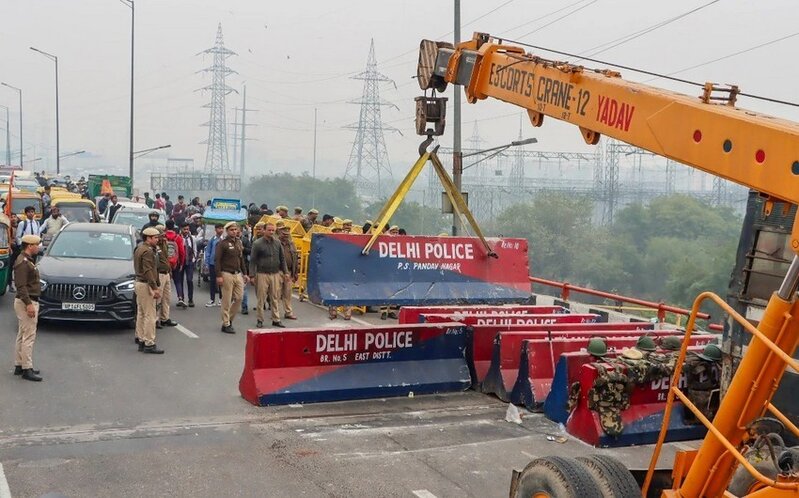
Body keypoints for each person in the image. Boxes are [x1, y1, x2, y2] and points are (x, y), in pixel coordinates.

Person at [13, 234, 43, 381]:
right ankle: (27, 368)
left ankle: (19, 364)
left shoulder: (26, 260)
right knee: (29, 336)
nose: (39, 247)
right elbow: (21, 286)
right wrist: (29, 304)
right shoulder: (24, 263)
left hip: (25, 301)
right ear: (30, 246)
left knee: (22, 334)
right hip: (27, 301)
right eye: (37, 244)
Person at [249, 222, 288, 328]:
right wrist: (252, 275)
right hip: (262, 274)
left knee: (275, 297)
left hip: (275, 274)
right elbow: (252, 260)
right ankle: (260, 319)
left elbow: (282, 259)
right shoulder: (257, 243)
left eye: (273, 230)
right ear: (264, 230)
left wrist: (286, 272)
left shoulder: (277, 243)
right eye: (269, 230)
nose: (271, 232)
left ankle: (276, 319)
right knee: (261, 298)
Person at [134, 227, 164, 354]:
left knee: (141, 313)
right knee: (150, 315)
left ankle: (141, 339)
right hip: (146, 284)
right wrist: (155, 288)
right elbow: (148, 271)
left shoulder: (139, 248)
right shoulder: (148, 252)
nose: (157, 240)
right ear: (148, 238)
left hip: (139, 283)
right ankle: (149, 343)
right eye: (155, 238)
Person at [216, 222, 247, 334]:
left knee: (239, 298)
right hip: (226, 273)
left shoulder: (238, 242)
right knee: (226, 300)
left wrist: (245, 273)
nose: (234, 231)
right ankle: (226, 324)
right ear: (227, 231)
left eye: (235, 229)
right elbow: (217, 260)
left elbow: (241, 259)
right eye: (232, 230)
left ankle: (229, 319)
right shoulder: (222, 244)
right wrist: (219, 275)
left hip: (237, 273)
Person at [155, 225, 178, 328]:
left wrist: (170, 270)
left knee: (166, 297)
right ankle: (155, 319)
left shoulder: (165, 243)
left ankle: (165, 318)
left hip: (166, 272)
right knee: (157, 299)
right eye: (161, 234)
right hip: (158, 273)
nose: (163, 236)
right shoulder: (153, 246)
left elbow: (166, 258)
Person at [278, 221, 299, 320]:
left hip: (289, 272)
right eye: (283, 234)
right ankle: (275, 313)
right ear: (279, 233)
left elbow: (295, 258)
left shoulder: (292, 244)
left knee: (288, 293)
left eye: (287, 234)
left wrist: (295, 273)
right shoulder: (276, 243)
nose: (286, 236)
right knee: (276, 294)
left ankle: (288, 312)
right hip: (278, 271)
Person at [165, 220, 187, 308]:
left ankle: (164, 299)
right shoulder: (178, 238)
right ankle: (180, 298)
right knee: (177, 281)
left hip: (165, 263)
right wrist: (181, 263)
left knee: (165, 281)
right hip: (175, 263)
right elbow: (182, 252)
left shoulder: (163, 237)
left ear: (165, 227)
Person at [176, 223, 197, 307]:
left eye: (187, 229)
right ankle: (181, 299)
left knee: (189, 280)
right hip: (180, 263)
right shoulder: (178, 238)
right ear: (181, 229)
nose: (186, 231)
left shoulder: (192, 239)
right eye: (184, 229)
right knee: (180, 280)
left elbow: (195, 249)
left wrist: (193, 259)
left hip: (189, 262)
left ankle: (190, 299)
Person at [204, 223, 224, 307]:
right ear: (215, 230)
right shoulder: (212, 240)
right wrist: (207, 264)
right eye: (219, 228)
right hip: (212, 264)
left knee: (221, 282)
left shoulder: (224, 240)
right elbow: (208, 251)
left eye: (222, 228)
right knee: (212, 282)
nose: (221, 230)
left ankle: (221, 299)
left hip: (222, 264)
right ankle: (212, 299)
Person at [240, 224, 252, 315]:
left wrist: (243, 249)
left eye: (237, 231)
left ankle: (244, 307)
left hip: (243, 266)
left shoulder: (245, 240)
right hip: (231, 268)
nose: (235, 232)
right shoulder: (227, 241)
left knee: (244, 289)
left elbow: (250, 250)